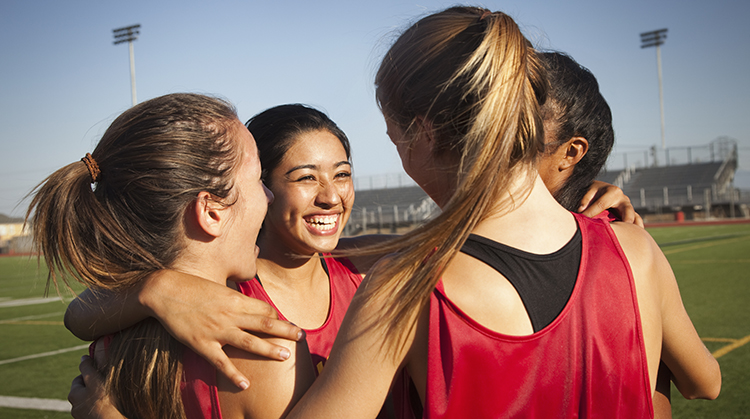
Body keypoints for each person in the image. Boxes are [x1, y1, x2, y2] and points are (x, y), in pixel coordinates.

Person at [276, 6, 720, 418]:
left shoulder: (402, 290)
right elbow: (705, 381)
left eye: (396, 139)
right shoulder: (635, 251)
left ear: (425, 133)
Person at [28, 93, 313, 419]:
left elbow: (76, 315)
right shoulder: (273, 354)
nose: (269, 194)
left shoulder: (106, 339)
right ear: (211, 211)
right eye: (256, 179)